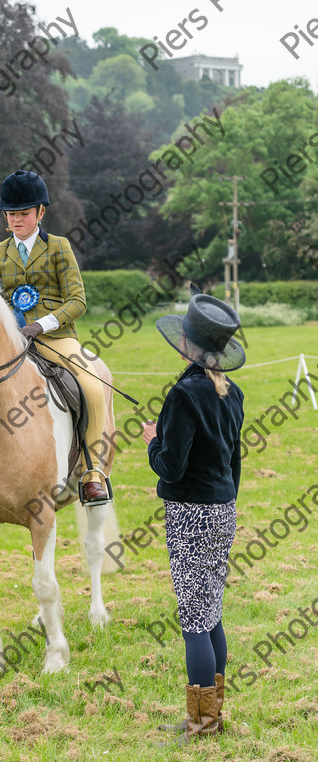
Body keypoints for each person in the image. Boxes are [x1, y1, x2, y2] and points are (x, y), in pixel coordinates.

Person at [141, 292, 245, 743]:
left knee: (194, 621)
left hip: (190, 517)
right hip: (223, 510)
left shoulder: (185, 394)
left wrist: (153, 440)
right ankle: (211, 716)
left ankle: (201, 726)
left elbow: (171, 467)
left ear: (187, 341)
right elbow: (232, 461)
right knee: (211, 613)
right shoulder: (232, 391)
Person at [0, 169, 109, 503]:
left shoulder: (58, 247)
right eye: (11, 214)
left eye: (23, 213)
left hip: (55, 338)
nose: (16, 220)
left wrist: (42, 325)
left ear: (40, 212)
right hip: (11, 341)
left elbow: (78, 301)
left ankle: (93, 473)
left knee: (93, 388)